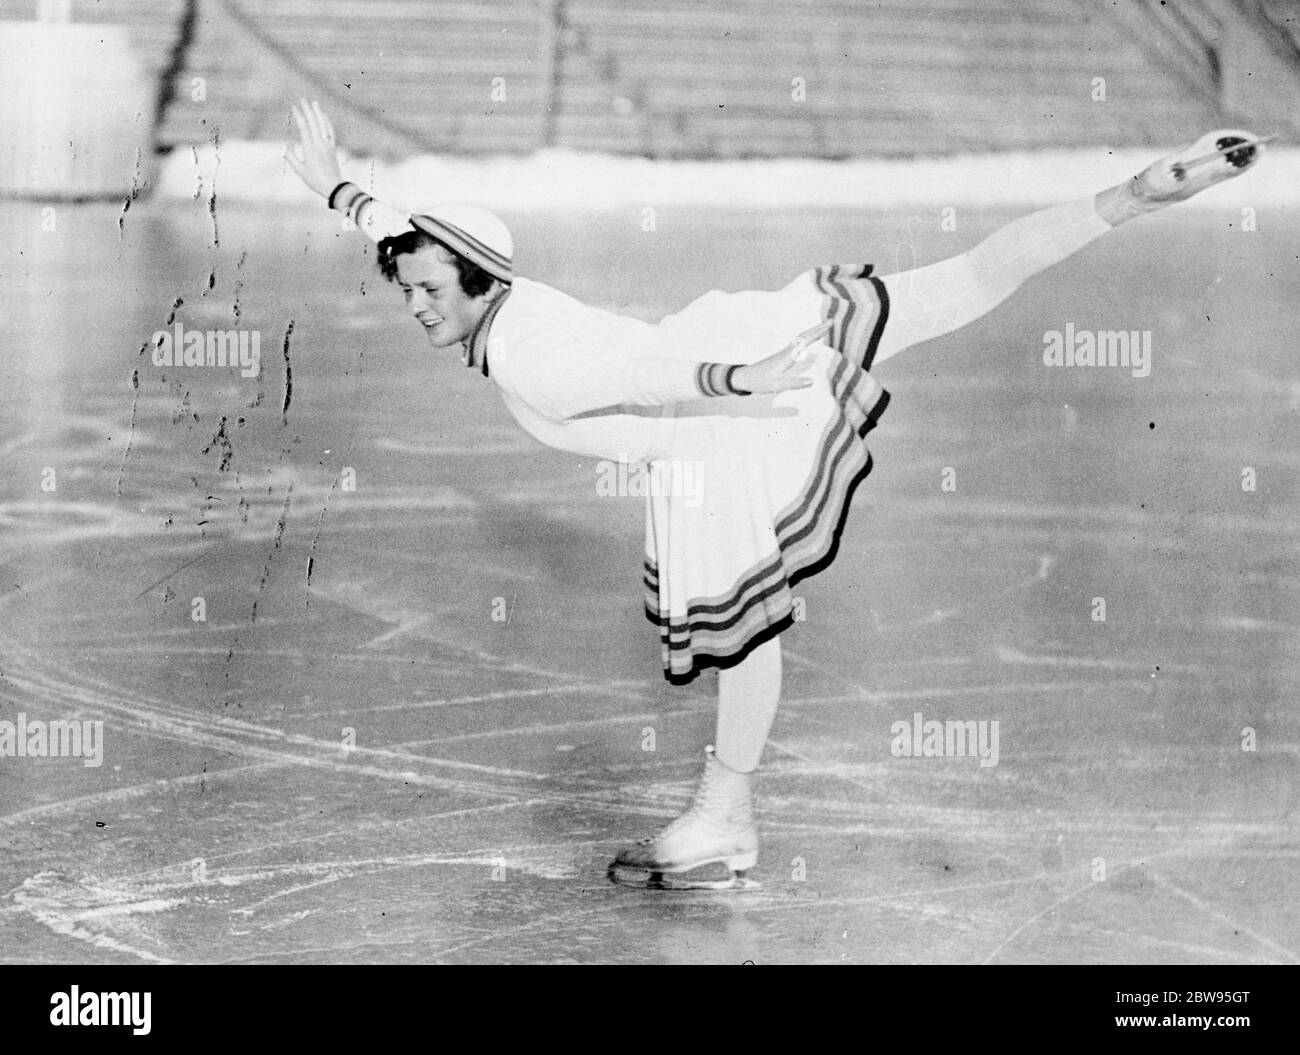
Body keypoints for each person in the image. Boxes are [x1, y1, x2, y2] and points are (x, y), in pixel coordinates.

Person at [286, 100, 1266, 890]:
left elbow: (645, 382)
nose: (416, 306)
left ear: (474, 281)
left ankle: (725, 819)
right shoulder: (491, 282)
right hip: (739, 343)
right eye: (407, 289)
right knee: (953, 286)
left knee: (742, 633)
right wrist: (339, 189)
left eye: (426, 291)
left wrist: (735, 386)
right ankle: (1133, 194)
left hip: (714, 420)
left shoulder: (525, 360)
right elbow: (400, 230)